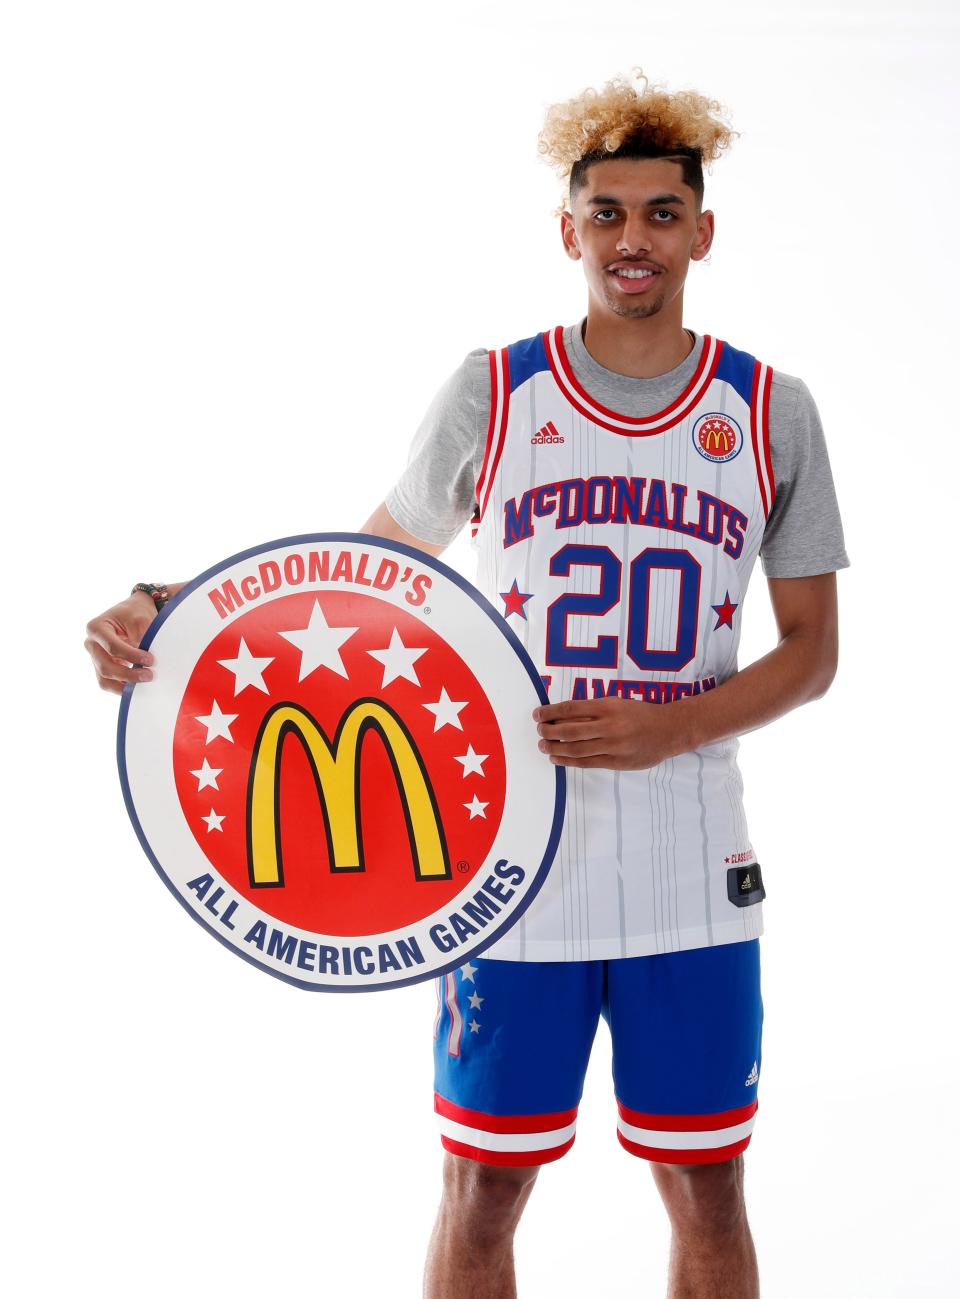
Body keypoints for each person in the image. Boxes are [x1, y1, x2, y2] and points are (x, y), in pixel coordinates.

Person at [85, 69, 849, 1299]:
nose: (633, 239)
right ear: (569, 232)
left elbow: (812, 651)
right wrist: (169, 606)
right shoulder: (497, 390)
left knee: (707, 1181)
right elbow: (352, 583)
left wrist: (676, 728)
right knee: (482, 1186)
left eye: (661, 213)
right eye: (606, 213)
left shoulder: (769, 410)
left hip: (694, 862)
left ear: (703, 231)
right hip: (508, 865)